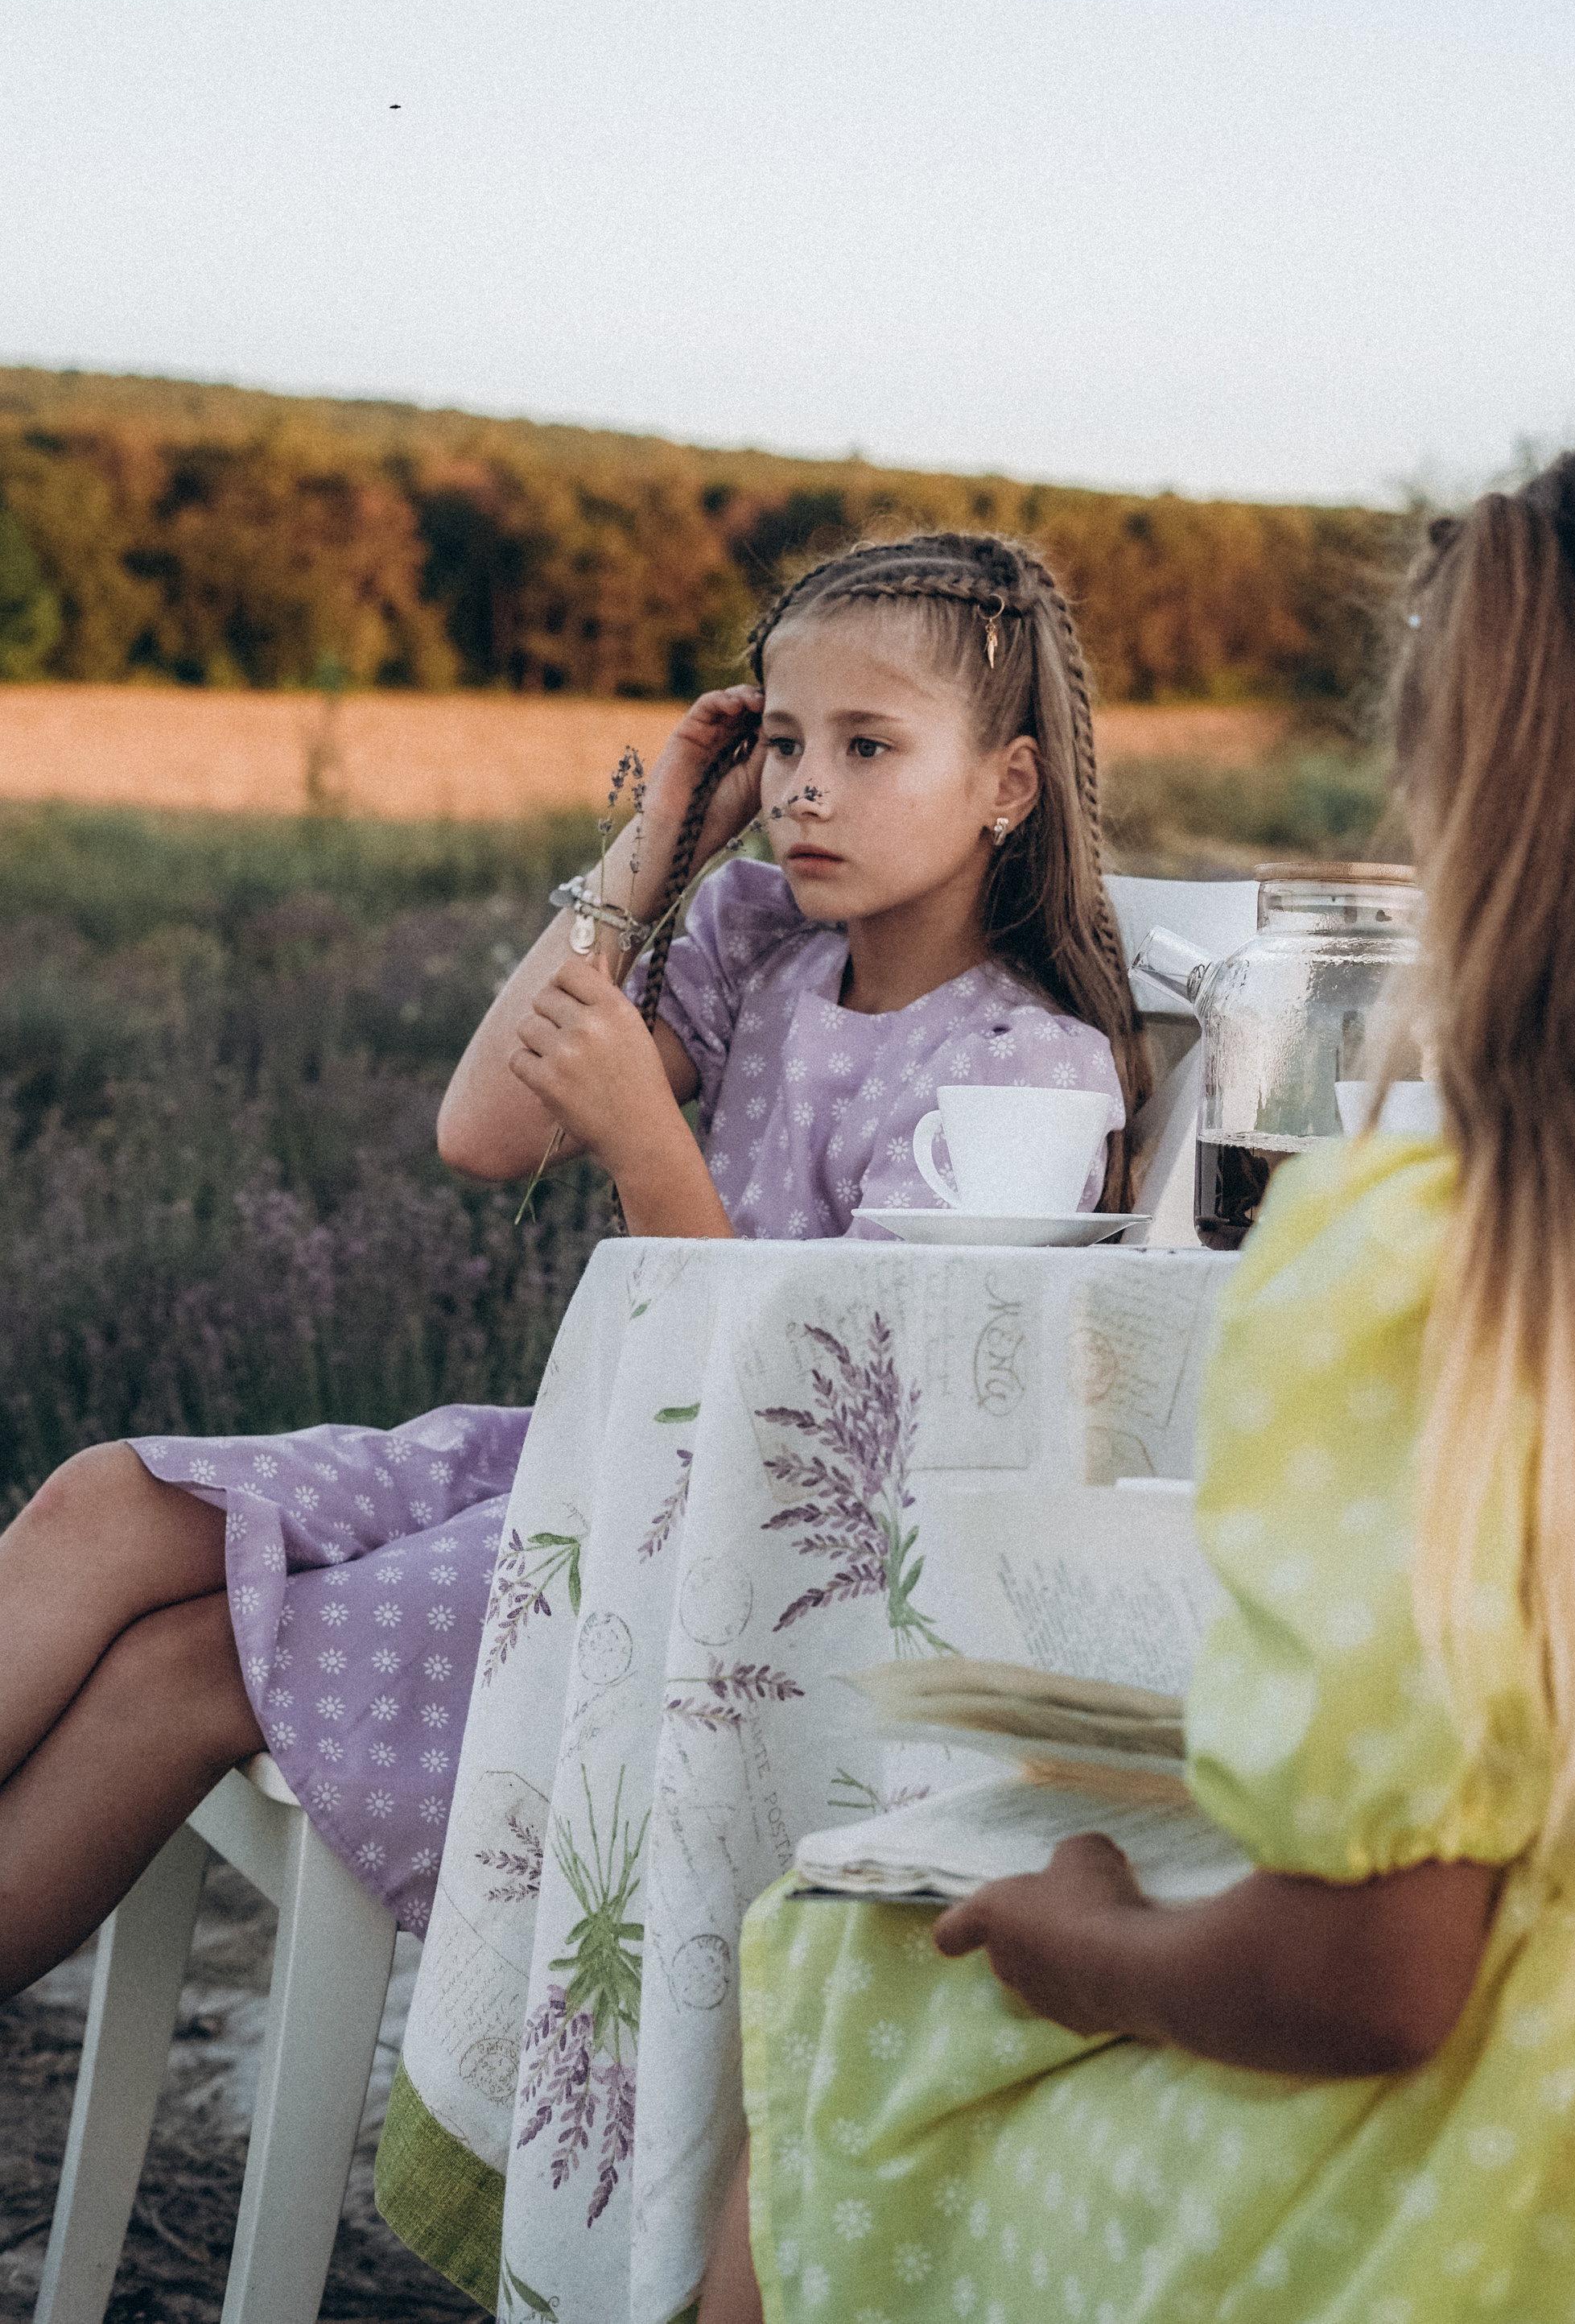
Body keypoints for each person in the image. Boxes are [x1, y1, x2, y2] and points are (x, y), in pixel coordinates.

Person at [703, 435, 1575, 2324]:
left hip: (1492, 2221)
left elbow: (1362, 1984)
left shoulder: (1454, 1255)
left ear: (1497, 816)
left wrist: (1088, 1948)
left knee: (841, 1997)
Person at [0, 532, 1144, 1996]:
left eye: (869, 746)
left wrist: (641, 1139)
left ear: (1009, 784)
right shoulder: (767, 946)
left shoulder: (1019, 1075)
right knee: (111, 1501)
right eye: (784, 741)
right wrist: (660, 833)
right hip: (591, 1454)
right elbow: (481, 1127)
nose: (805, 787)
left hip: (721, 1558)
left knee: (181, 1670)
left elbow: (818, 1443)